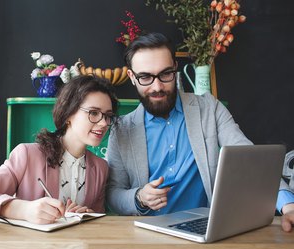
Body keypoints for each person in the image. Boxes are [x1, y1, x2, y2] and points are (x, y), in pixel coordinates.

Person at [106, 32, 294, 232]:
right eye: (145, 77)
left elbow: (251, 159)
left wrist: (288, 205)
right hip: (147, 233)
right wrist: (139, 198)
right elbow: (112, 192)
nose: (157, 86)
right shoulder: (121, 129)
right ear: (132, 77)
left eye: (165, 74)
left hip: (206, 230)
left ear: (176, 69)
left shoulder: (209, 109)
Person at [0, 75, 118, 224]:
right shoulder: (26, 155)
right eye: (94, 113)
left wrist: (85, 216)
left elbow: (98, 220)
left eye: (107, 116)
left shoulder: (100, 168)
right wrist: (24, 210)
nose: (104, 123)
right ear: (69, 112)